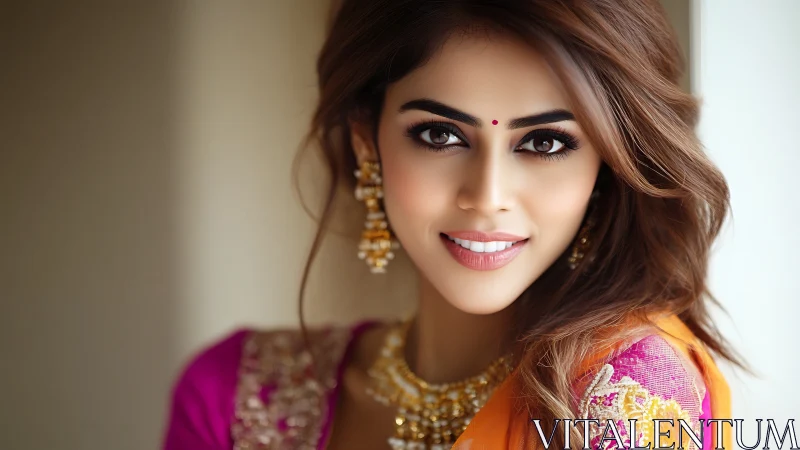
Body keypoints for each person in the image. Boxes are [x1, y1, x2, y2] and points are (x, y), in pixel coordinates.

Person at [162, 0, 748, 449]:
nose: (487, 198)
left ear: (606, 166)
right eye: (440, 135)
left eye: (544, 142)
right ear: (367, 141)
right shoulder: (234, 396)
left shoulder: (627, 396)